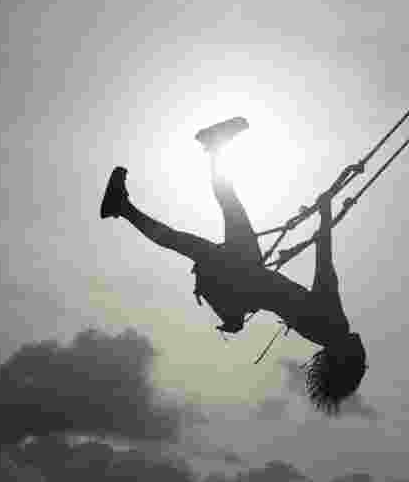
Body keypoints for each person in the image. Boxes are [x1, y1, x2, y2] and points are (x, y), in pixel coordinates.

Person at [100, 117, 367, 413]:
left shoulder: (334, 325)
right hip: (243, 287)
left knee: (222, 210)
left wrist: (326, 213)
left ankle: (213, 148)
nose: (362, 349)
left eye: (359, 358)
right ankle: (123, 207)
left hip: (245, 273)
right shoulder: (322, 335)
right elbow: (296, 287)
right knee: (185, 240)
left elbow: (325, 265)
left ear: (346, 357)